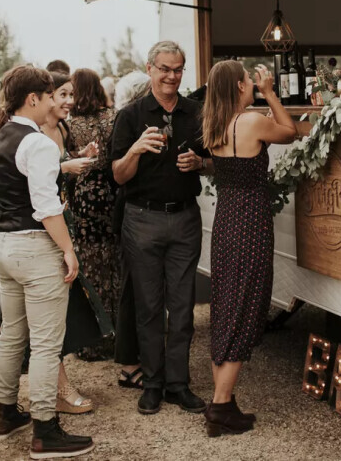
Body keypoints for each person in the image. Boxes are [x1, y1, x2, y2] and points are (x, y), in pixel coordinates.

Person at [0, 65, 93, 459]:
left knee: (13, 334)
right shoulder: (39, 143)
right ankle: (46, 431)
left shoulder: (1, 135)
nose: (54, 102)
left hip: (5, 245)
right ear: (33, 98)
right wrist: (67, 249)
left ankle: (5, 414)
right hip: (35, 248)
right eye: (50, 96)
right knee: (48, 346)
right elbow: (47, 208)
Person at [111, 41, 210, 415]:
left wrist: (200, 162)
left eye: (178, 69)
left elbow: (216, 161)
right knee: (149, 307)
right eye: (165, 68)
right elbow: (119, 175)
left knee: (183, 308)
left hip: (185, 218)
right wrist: (135, 149)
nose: (172, 76)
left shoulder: (196, 113)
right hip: (141, 220)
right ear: (149, 68)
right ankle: (151, 383)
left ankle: (178, 385)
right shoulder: (130, 116)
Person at [201, 60, 296, 436]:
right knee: (246, 304)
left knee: (227, 305)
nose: (251, 85)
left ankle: (223, 400)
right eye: (248, 81)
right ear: (240, 86)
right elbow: (289, 132)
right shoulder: (251, 121)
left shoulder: (215, 124)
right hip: (251, 220)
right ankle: (221, 408)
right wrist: (271, 93)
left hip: (225, 220)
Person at [40, 70, 107, 414]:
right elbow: (39, 181)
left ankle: (50, 387)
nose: (69, 101)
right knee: (47, 316)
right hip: (43, 229)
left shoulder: (62, 129)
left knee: (62, 311)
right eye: (62, 95)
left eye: (71, 94)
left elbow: (61, 169)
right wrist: (67, 167)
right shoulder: (34, 133)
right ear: (46, 96)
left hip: (67, 222)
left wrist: (80, 155)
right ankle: (58, 390)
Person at [68, 68, 118, 360]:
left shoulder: (70, 123)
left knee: (89, 263)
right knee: (113, 261)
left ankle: (92, 341)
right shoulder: (112, 117)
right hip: (110, 193)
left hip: (86, 195)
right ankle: (117, 336)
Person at [111, 71, 151, 390]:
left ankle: (144, 356)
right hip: (130, 211)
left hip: (143, 212)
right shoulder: (126, 124)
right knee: (131, 290)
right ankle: (128, 365)